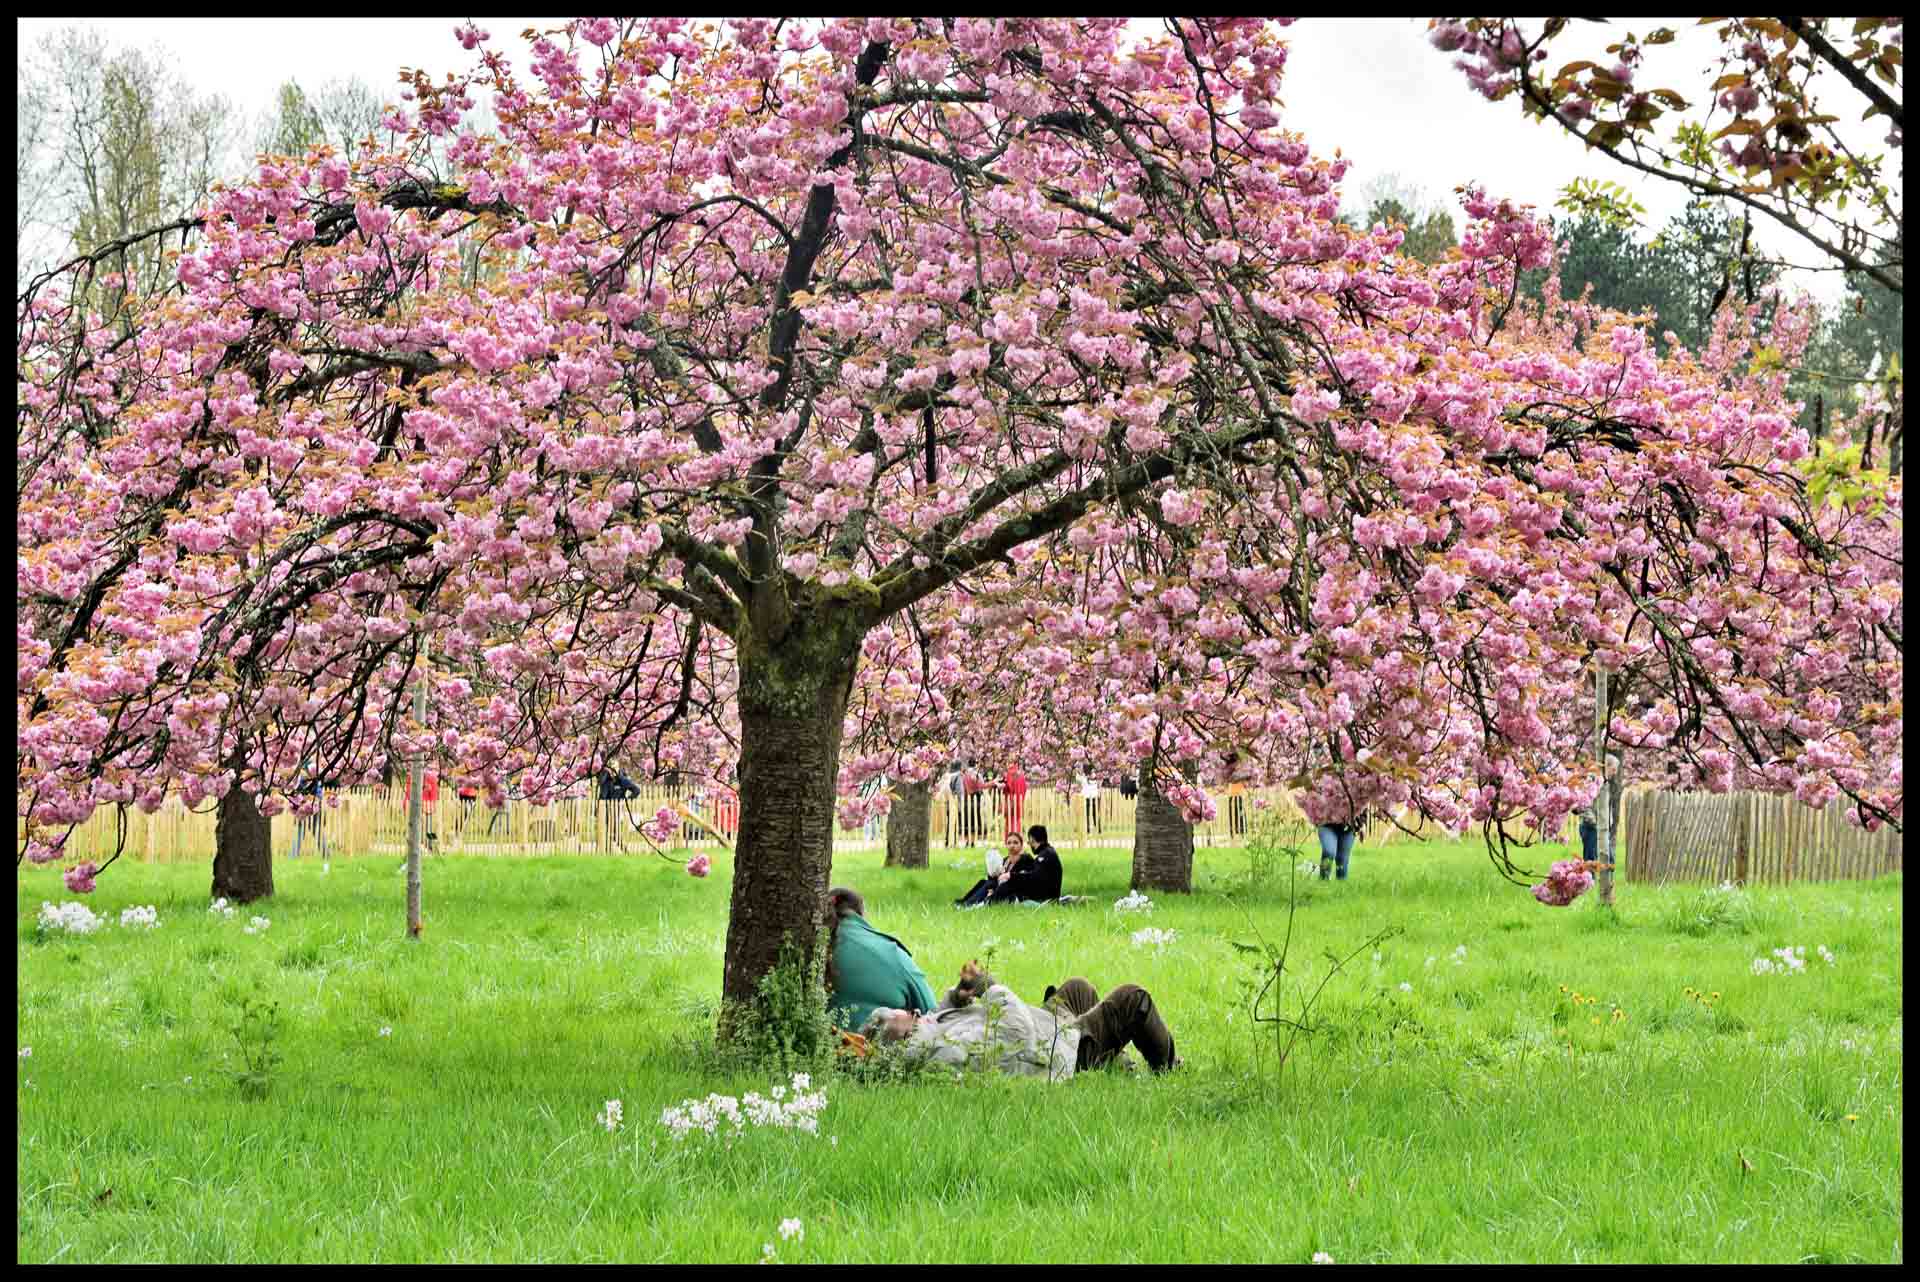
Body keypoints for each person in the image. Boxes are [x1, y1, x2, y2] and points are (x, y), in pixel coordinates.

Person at [861, 961, 1178, 1080]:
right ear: (902, 1038)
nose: (919, 1013)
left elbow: (940, 1020)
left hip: (1050, 1026)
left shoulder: (926, 1038)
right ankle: (1169, 1068)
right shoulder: (947, 1053)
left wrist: (956, 998)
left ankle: (1116, 1064)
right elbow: (1017, 1033)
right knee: (1133, 999)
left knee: (1078, 988)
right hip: (1058, 1051)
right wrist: (989, 986)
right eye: (911, 1019)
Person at [825, 886, 938, 1034]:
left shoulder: (801, 948)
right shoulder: (891, 953)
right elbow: (933, 1015)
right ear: (861, 913)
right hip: (877, 1052)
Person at [955, 830, 1029, 907]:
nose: (1012, 845)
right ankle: (965, 900)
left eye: (1015, 843)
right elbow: (994, 876)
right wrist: (992, 873)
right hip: (1000, 885)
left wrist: (1006, 875)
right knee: (983, 881)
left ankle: (969, 904)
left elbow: (1024, 876)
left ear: (1021, 845)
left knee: (990, 884)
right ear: (1006, 845)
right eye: (1009, 843)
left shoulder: (1025, 858)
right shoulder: (1005, 860)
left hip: (1013, 889)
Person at [993, 824, 1063, 903]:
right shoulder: (1047, 852)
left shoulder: (1045, 855)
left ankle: (990, 903)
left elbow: (1035, 877)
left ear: (1032, 839)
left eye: (1029, 841)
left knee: (1008, 884)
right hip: (1046, 893)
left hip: (1046, 897)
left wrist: (1011, 876)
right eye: (1008, 843)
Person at [596, 758, 641, 851]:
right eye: (610, 768)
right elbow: (601, 792)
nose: (612, 770)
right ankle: (607, 850)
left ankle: (622, 849)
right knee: (603, 831)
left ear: (618, 768)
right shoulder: (605, 779)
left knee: (613, 831)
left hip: (615, 809)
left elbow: (636, 790)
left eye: (614, 767)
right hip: (603, 809)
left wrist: (627, 800)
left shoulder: (623, 780)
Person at [1317, 813, 1358, 881]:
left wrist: (1359, 822)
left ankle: (1341, 887)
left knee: (1342, 860)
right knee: (1329, 852)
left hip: (1349, 827)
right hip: (1327, 824)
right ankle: (1323, 881)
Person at [1003, 761, 1028, 834]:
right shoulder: (1022, 775)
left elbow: (1008, 787)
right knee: (1017, 820)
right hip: (1019, 800)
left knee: (1009, 820)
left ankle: (1009, 837)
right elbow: (1025, 788)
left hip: (1011, 801)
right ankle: (1017, 836)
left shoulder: (1009, 774)